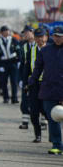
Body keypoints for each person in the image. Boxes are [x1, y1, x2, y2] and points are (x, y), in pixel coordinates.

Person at [28, 26, 63, 154]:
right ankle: (57, 145)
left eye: (60, 36)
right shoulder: (46, 51)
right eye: (56, 36)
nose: (57, 38)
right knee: (53, 117)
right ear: (52, 36)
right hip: (49, 90)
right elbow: (37, 68)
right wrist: (31, 81)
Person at [22, 28, 49, 143]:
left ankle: (53, 136)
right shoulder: (31, 51)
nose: (39, 39)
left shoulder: (51, 50)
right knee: (33, 112)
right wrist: (24, 83)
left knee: (47, 111)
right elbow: (27, 68)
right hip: (34, 85)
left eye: (41, 36)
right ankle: (37, 135)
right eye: (37, 37)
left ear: (46, 37)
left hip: (48, 85)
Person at [0, 25, 21, 104]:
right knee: (4, 82)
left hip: (13, 62)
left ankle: (14, 98)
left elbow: (18, 50)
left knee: (14, 81)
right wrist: (0, 66)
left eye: (8, 30)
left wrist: (19, 61)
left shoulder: (14, 40)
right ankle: (6, 98)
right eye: (5, 31)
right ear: (1, 32)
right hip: (4, 64)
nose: (7, 32)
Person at [18, 25, 35, 129]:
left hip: (39, 77)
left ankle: (43, 122)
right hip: (26, 77)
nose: (24, 35)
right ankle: (25, 122)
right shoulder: (23, 46)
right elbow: (22, 64)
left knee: (39, 101)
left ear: (32, 32)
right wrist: (21, 79)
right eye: (23, 33)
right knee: (24, 101)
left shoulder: (40, 45)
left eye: (26, 32)